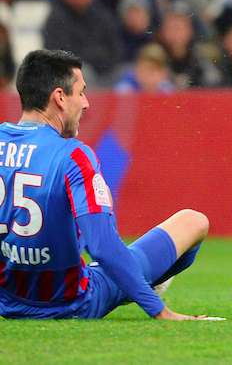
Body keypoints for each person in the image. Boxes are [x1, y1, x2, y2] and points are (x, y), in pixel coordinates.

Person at [0, 49, 208, 319]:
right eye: (81, 92)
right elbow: (103, 246)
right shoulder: (73, 155)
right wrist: (160, 312)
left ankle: (134, 279)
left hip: (8, 302)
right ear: (60, 98)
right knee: (193, 221)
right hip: (73, 303)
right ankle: (145, 285)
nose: (86, 103)